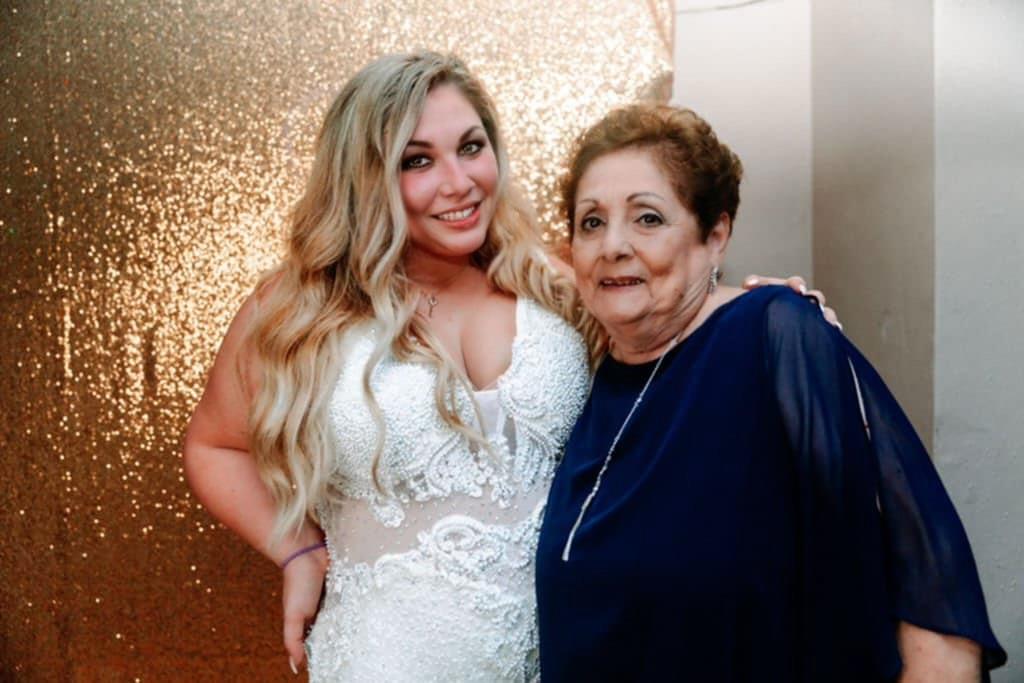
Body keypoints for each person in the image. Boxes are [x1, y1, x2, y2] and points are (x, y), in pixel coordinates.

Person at [183, 51, 823, 680]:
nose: (458, 182)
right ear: (365, 177)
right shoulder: (299, 307)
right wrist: (298, 550)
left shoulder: (556, 283)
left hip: (578, 656)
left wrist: (761, 309)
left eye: (470, 146)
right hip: (388, 659)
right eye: (417, 161)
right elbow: (214, 446)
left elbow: (674, 333)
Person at [535, 104, 1007, 682]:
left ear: (715, 235)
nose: (612, 245)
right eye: (591, 222)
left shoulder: (775, 334)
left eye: (648, 219)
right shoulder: (583, 376)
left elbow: (931, 588)